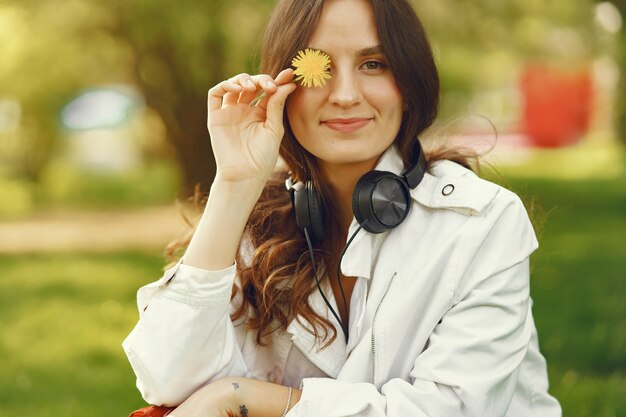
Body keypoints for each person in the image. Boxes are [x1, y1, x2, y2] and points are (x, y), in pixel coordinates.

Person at [123, 0, 563, 416]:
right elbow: (164, 378)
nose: (346, 95)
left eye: (374, 64)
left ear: (408, 83)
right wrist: (235, 185)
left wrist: (246, 398)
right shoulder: (257, 218)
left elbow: (450, 409)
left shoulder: (482, 222)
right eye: (319, 67)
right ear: (282, 87)